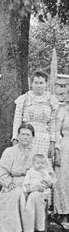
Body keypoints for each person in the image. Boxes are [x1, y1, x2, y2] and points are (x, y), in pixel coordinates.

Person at [0, 123, 54, 232]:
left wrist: (44, 184)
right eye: (22, 134)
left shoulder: (38, 153)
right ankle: (13, 230)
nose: (25, 137)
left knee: (35, 196)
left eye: (28, 135)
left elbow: (49, 173)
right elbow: (2, 171)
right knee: (16, 194)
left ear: (33, 137)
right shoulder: (10, 151)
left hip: (34, 183)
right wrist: (8, 182)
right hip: (15, 183)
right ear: (18, 136)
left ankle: (40, 231)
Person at [12, 70, 58, 158]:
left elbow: (53, 123)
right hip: (26, 137)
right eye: (36, 82)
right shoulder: (24, 99)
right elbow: (17, 121)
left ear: (46, 84)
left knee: (41, 166)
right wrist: (15, 139)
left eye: (41, 83)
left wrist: (52, 143)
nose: (38, 85)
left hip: (44, 139)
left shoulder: (51, 101)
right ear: (31, 83)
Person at [53, 94, 69, 224]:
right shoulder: (63, 111)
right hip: (65, 147)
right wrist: (57, 149)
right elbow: (56, 131)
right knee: (63, 179)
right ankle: (64, 213)